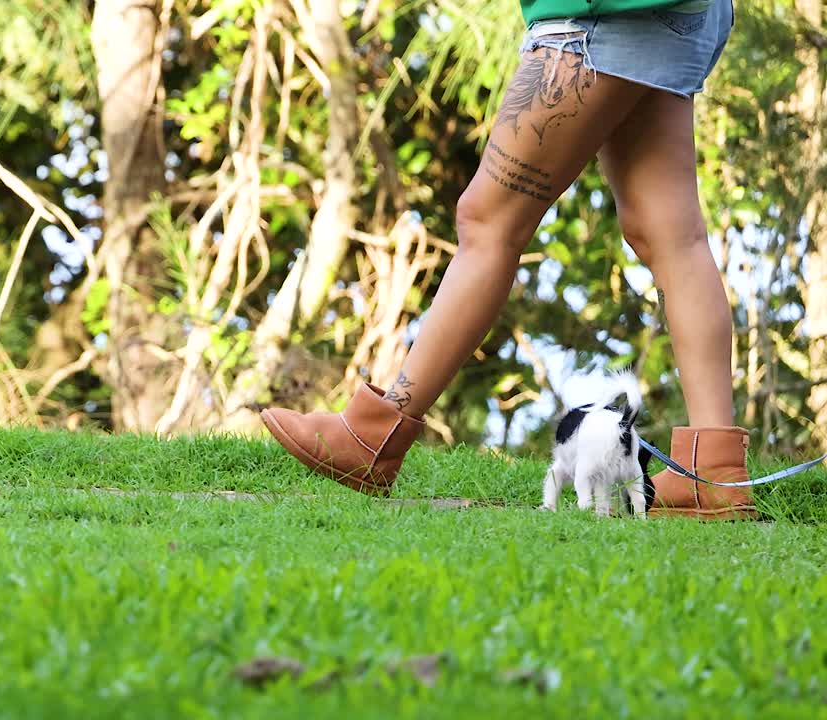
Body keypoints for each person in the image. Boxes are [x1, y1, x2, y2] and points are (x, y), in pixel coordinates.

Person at [261, 0, 754, 519]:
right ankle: (712, 471)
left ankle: (372, 437)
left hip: (599, 16)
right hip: (685, 14)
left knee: (488, 221)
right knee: (674, 240)